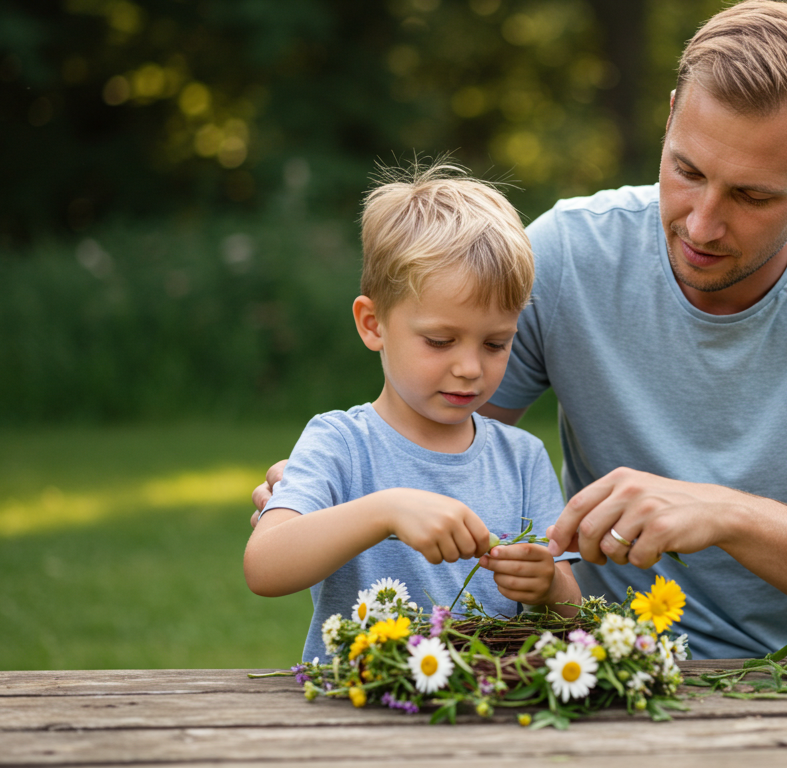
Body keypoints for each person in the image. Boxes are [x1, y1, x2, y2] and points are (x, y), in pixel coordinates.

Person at [255, 0, 787, 660]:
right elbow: (438, 440)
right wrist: (331, 493)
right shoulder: (568, 256)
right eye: (686, 170)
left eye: (751, 196)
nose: (702, 224)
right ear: (672, 117)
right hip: (606, 669)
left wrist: (724, 515)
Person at [244, 164, 581, 663]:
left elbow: (573, 613)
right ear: (373, 323)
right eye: (440, 341)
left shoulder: (522, 458)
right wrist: (387, 510)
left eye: (496, 343)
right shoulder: (339, 442)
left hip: (485, 707)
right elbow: (264, 567)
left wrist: (549, 583)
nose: (470, 368)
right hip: (359, 706)